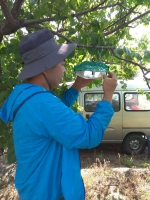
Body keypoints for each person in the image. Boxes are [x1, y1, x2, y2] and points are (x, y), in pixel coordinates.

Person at [0, 29, 117, 200]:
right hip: (48, 192)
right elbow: (89, 135)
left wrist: (76, 87)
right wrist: (108, 96)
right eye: (62, 64)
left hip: (36, 189)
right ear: (46, 67)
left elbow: (52, 120)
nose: (64, 70)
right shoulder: (42, 103)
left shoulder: (26, 95)